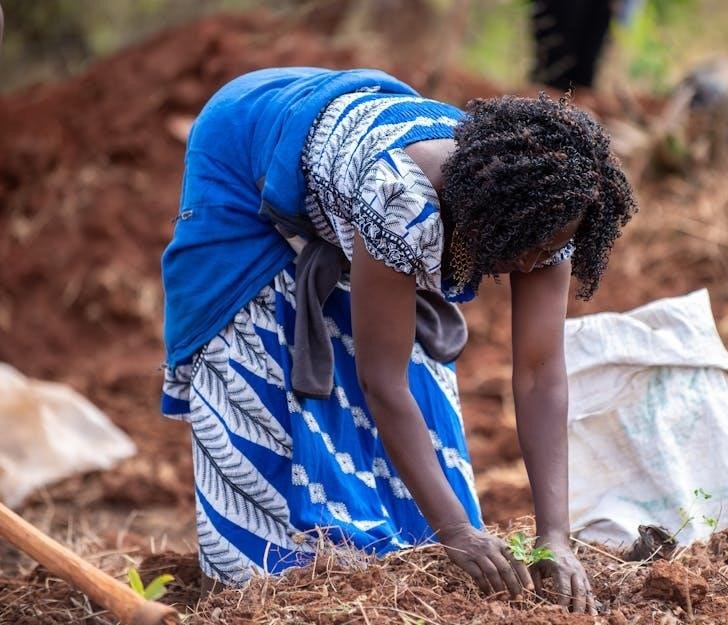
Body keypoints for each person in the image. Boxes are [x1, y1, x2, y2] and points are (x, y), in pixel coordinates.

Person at [160, 67, 637, 614]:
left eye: (548, 251)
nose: (531, 266)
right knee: (258, 357)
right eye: (525, 249)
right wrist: (455, 530)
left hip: (356, 166)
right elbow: (382, 382)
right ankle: (254, 579)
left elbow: (539, 373)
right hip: (244, 143)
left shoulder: (552, 209)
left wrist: (555, 535)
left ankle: (385, 536)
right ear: (489, 220)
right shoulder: (405, 198)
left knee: (417, 379)